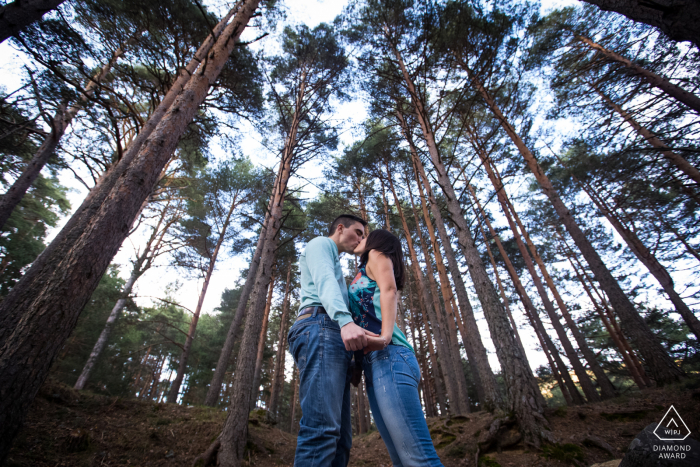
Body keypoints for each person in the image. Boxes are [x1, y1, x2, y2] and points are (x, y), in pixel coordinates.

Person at [288, 214, 383, 466]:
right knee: (321, 431)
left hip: (331, 336)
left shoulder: (336, 262)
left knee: (341, 440)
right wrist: (345, 321)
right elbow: (324, 282)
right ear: (340, 228)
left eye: (364, 235)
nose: (361, 239)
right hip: (318, 326)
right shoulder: (320, 243)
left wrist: (352, 362)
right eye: (359, 232)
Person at [349, 229, 444, 467]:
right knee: (401, 460)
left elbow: (389, 291)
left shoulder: (377, 254)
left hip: (390, 356)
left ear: (378, 241)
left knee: (419, 459)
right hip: (374, 364)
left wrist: (385, 337)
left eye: (364, 235)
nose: (360, 239)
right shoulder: (363, 269)